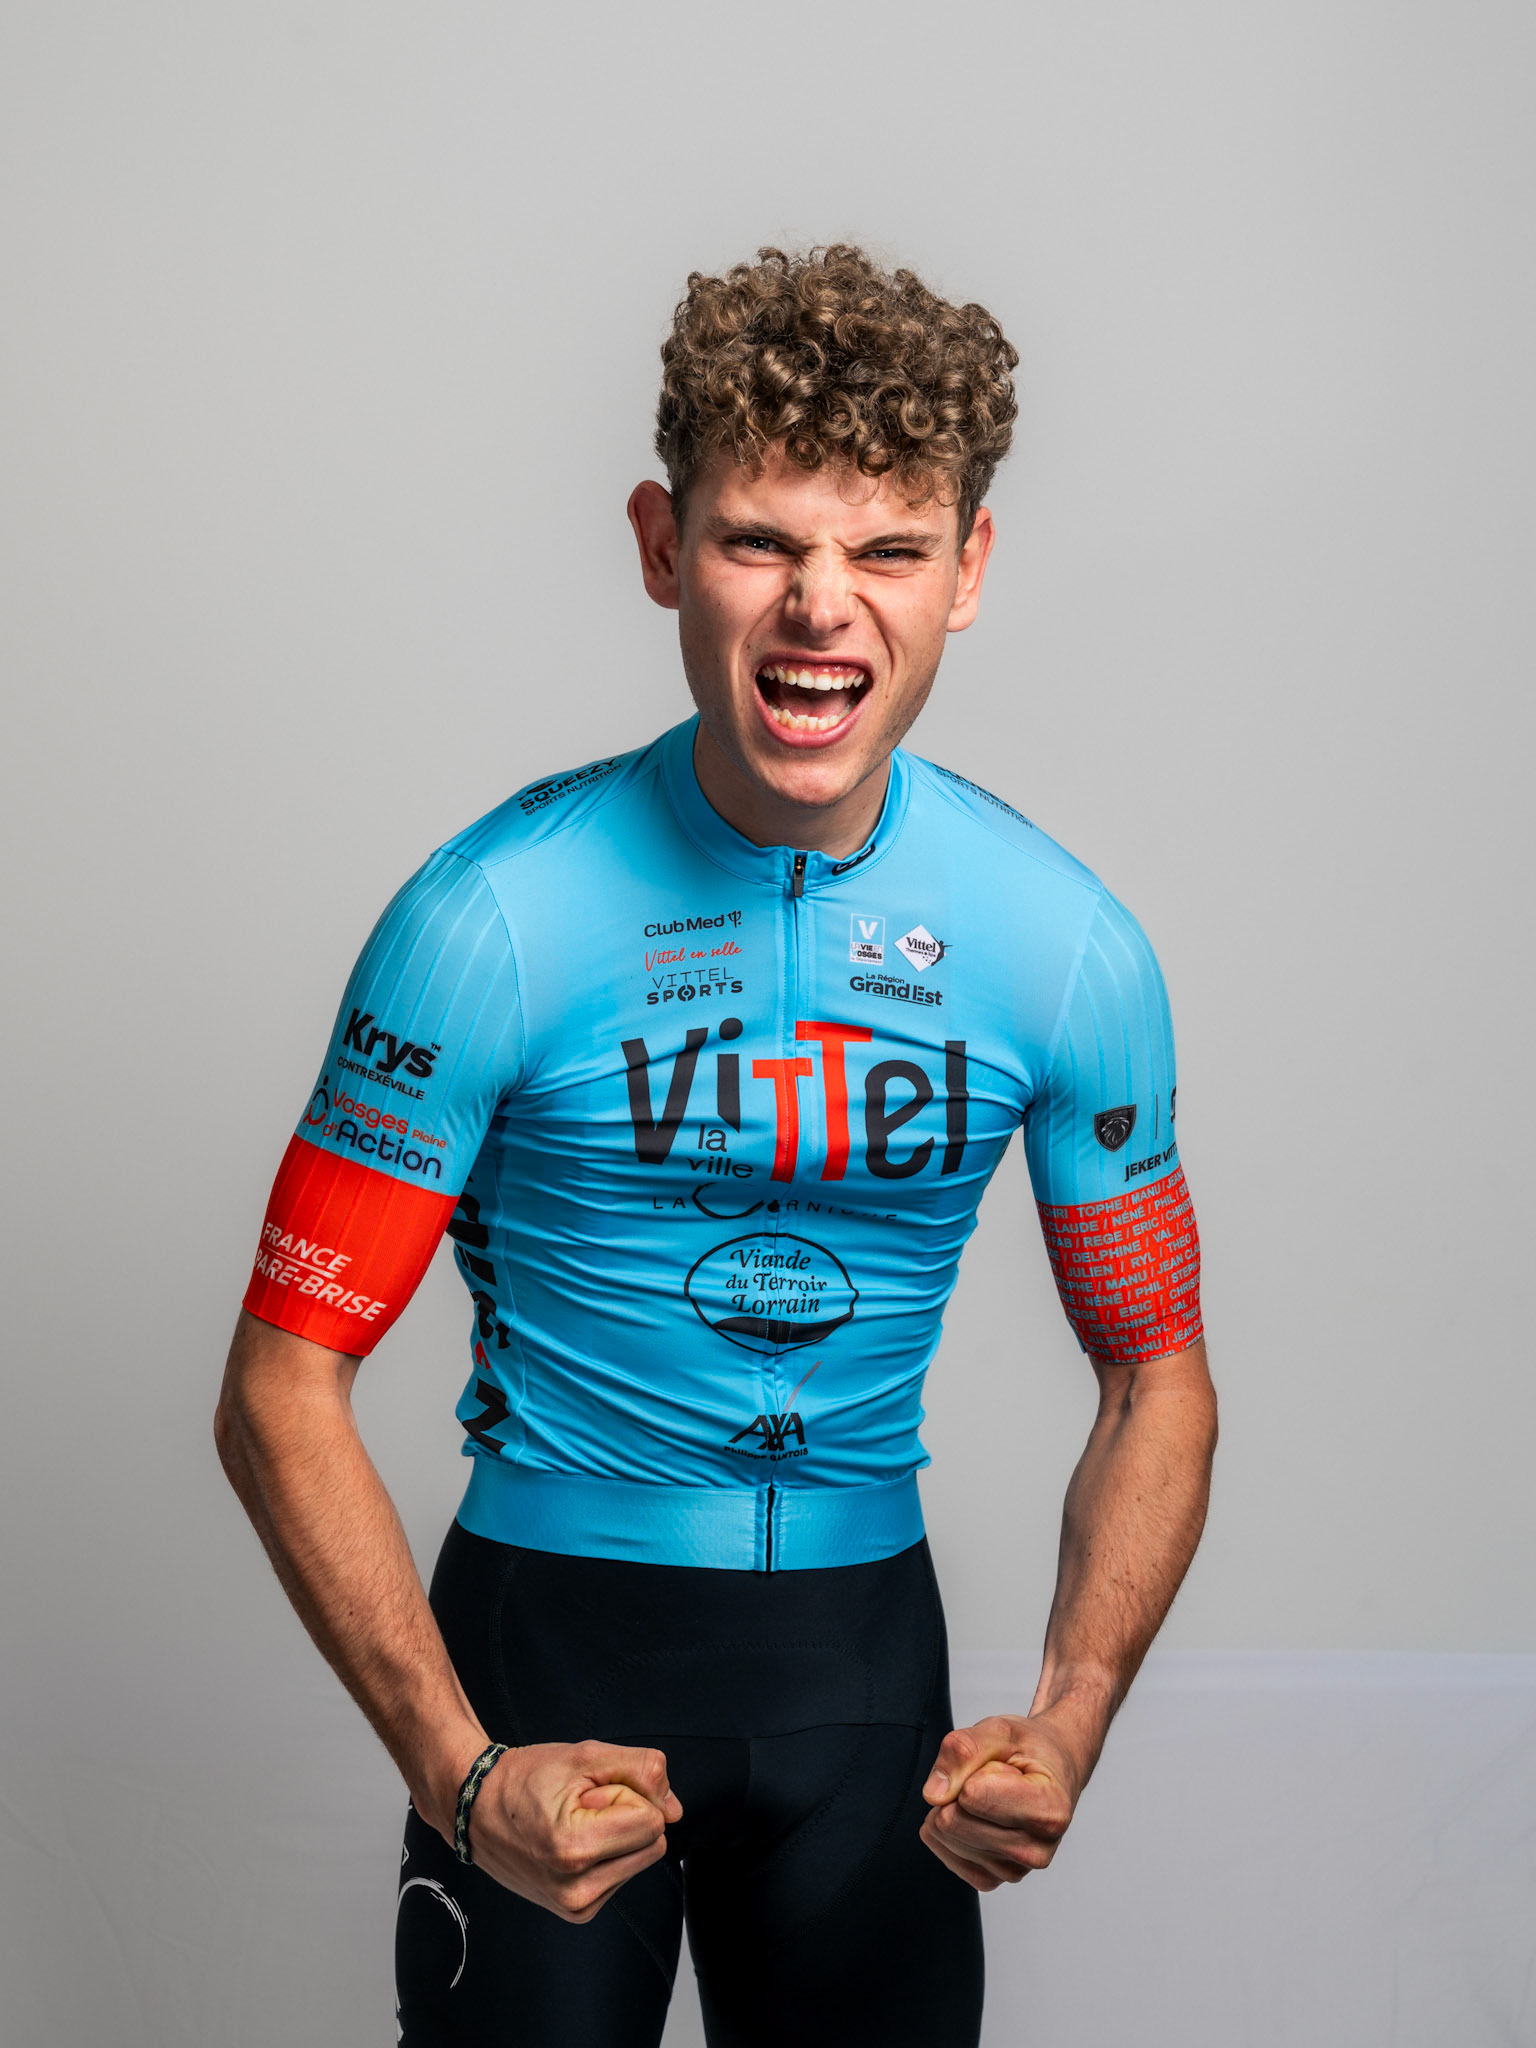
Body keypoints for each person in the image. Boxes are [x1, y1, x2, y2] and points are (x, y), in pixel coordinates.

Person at [215, 244, 1216, 2047]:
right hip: (547, 1660)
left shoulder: (1062, 944)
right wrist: (457, 1772)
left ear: (968, 568)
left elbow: (1160, 1380)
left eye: (888, 550)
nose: (823, 607)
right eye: (762, 542)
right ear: (663, 544)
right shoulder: (491, 918)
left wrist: (1072, 1716)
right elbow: (280, 1385)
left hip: (863, 1684)